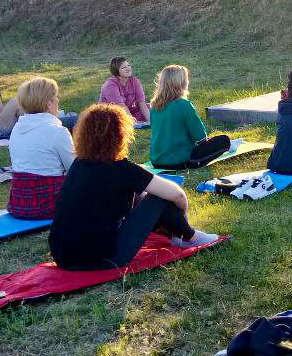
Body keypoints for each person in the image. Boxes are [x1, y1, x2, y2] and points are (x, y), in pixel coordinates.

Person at [49, 103, 219, 270]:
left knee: (142, 195)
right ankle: (189, 236)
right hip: (106, 259)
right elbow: (176, 195)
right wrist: (183, 218)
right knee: (158, 196)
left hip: (63, 257)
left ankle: (176, 233)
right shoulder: (121, 168)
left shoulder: (78, 165)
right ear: (120, 135)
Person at [7, 77, 75, 219]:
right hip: (49, 205)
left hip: (19, 204)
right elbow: (75, 170)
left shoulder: (17, 128)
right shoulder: (58, 131)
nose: (58, 100)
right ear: (49, 103)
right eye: (56, 97)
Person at [149, 65, 230, 169]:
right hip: (181, 161)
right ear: (181, 83)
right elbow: (200, 137)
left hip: (157, 161)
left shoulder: (154, 107)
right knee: (224, 140)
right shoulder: (184, 105)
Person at [99, 57, 150, 123]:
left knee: (153, 108)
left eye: (128, 66)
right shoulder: (110, 85)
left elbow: (141, 103)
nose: (128, 69)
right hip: (111, 114)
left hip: (129, 111)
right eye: (123, 68)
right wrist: (134, 122)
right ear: (116, 71)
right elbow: (121, 106)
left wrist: (150, 121)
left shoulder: (134, 81)